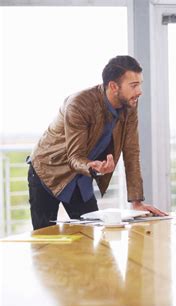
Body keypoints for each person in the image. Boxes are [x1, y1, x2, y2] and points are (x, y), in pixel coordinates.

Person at [27, 55, 167, 230]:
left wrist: (136, 202)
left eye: (140, 84)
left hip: (82, 177)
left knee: (94, 237)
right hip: (47, 172)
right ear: (113, 86)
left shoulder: (130, 104)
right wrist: (93, 167)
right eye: (134, 85)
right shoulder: (79, 104)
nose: (139, 91)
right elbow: (75, 157)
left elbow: (131, 152)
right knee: (45, 243)